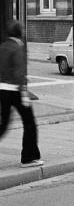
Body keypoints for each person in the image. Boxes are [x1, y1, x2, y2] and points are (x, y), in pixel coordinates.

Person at [0, 21, 42, 167]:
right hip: (15, 90)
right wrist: (24, 92)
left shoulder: (3, 46)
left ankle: (30, 156)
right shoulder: (18, 47)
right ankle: (29, 157)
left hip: (2, 90)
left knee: (3, 125)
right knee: (30, 123)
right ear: (20, 33)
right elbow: (19, 72)